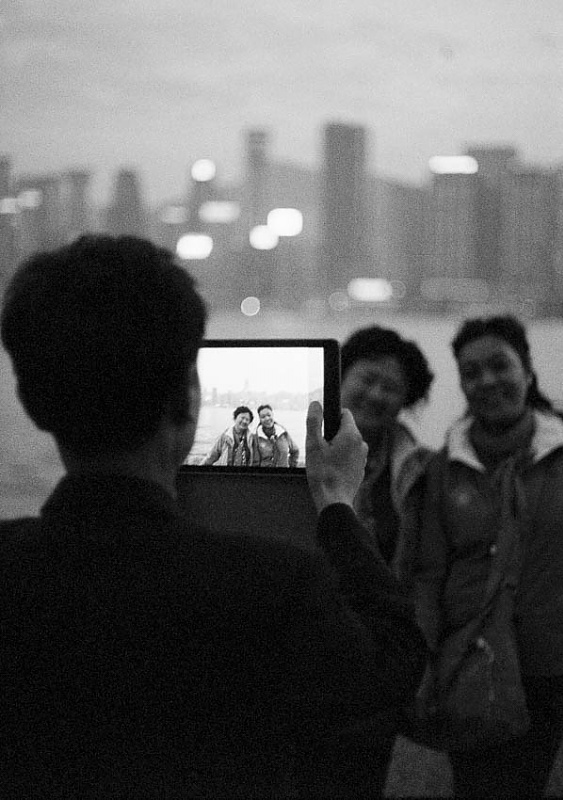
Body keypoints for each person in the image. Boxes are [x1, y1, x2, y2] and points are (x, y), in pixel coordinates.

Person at [0, 235, 427, 799]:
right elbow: (391, 665)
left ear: (32, 402)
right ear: (188, 397)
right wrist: (336, 503)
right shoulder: (275, 589)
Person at [414, 314, 563, 798]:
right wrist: (423, 661)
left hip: (549, 664)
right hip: (470, 662)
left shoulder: (559, 453)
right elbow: (429, 573)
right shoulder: (447, 467)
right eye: (471, 373)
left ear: (528, 371)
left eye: (500, 366)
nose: (487, 381)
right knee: (475, 785)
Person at [340, 325, 435, 586]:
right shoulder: (298, 451)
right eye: (368, 379)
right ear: (340, 375)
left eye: (390, 388)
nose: (376, 395)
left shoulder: (421, 470)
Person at [255, 403, 300, 468]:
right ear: (259, 419)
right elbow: (255, 461)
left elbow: (295, 451)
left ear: (272, 415)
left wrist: (292, 466)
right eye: (263, 417)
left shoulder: (283, 433)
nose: (267, 418)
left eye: (269, 415)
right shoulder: (257, 437)